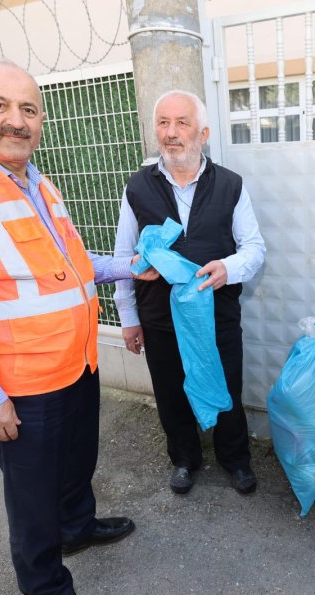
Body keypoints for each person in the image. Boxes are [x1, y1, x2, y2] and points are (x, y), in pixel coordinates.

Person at [0, 59, 156, 595]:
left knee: (75, 466)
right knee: (32, 496)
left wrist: (130, 266)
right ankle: (46, 586)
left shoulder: (40, 185)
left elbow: (72, 264)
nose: (17, 120)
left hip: (77, 365)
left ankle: (78, 529)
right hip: (19, 385)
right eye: (0, 106)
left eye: (28, 109)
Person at [114, 90, 266, 496]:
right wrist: (128, 318)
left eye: (182, 123)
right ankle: (184, 458)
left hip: (216, 313)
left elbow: (254, 248)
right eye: (163, 123)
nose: (172, 133)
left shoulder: (230, 185)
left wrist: (227, 269)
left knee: (226, 386)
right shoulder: (137, 188)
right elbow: (123, 257)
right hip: (159, 317)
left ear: (203, 133)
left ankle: (234, 459)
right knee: (170, 390)